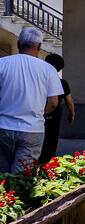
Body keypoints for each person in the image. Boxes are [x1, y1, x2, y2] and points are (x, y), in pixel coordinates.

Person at [0, 27, 64, 174]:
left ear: (18, 43)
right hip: (32, 129)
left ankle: (4, 196)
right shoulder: (48, 69)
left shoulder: (2, 63)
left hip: (3, 127)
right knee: (23, 175)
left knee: (2, 173)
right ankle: (19, 197)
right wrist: (39, 113)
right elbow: (53, 102)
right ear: (39, 46)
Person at [39, 54, 75, 166]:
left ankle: (36, 161)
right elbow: (69, 101)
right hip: (54, 116)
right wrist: (72, 114)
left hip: (38, 113)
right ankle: (48, 163)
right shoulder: (62, 83)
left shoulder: (39, 81)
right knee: (52, 139)